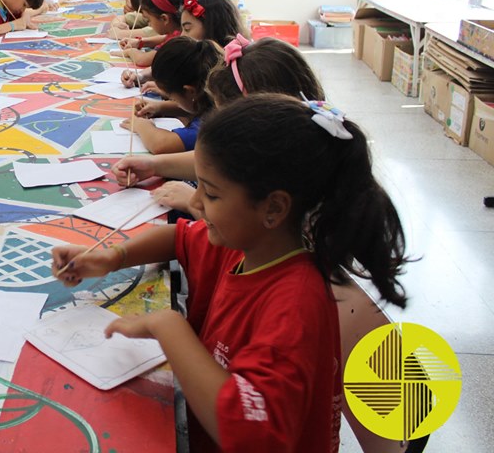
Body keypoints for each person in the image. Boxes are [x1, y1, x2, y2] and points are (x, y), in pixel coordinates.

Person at [54, 94, 409, 453]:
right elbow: (178, 237)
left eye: (210, 193)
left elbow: (250, 433)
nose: (194, 204)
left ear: (273, 208)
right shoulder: (247, 245)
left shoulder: (295, 304)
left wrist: (168, 327)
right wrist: (111, 258)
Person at [112, 34, 324, 186]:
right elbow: (213, 160)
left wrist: (193, 206)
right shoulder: (274, 144)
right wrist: (152, 165)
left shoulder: (280, 177)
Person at [121, 37, 220, 154]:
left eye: (172, 97)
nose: (172, 101)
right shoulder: (213, 97)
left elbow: (161, 145)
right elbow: (195, 106)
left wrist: (140, 126)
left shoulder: (213, 122)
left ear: (190, 91)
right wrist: (160, 107)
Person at [115, 0, 188, 68]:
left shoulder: (176, 43)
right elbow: (164, 38)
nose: (149, 24)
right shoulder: (179, 31)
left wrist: (129, 51)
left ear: (164, 19)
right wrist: (141, 42)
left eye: (149, 20)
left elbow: (143, 59)